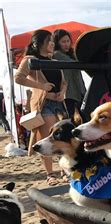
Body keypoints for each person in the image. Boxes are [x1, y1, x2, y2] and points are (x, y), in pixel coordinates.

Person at [15, 29, 67, 186]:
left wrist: (63, 92)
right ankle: (50, 174)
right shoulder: (30, 60)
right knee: (48, 140)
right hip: (44, 105)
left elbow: (64, 82)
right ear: (39, 43)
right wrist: (42, 86)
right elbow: (18, 77)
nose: (52, 43)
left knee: (62, 138)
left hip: (60, 103)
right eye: (49, 40)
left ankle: (64, 171)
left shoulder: (55, 61)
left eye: (53, 41)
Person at [52, 29, 86, 119]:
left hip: (78, 92)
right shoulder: (57, 54)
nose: (66, 44)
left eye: (68, 41)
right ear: (57, 43)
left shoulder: (71, 55)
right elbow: (75, 64)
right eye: (63, 41)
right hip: (69, 94)